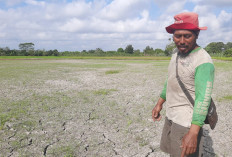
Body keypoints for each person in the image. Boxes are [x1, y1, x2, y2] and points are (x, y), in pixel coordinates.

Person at [152, 12, 215, 157]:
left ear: (197, 34)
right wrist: (160, 103)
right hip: (171, 115)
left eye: (187, 36)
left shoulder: (203, 61)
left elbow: (203, 99)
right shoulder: (176, 53)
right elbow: (171, 79)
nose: (181, 41)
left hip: (186, 121)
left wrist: (193, 132)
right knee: (172, 152)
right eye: (177, 35)